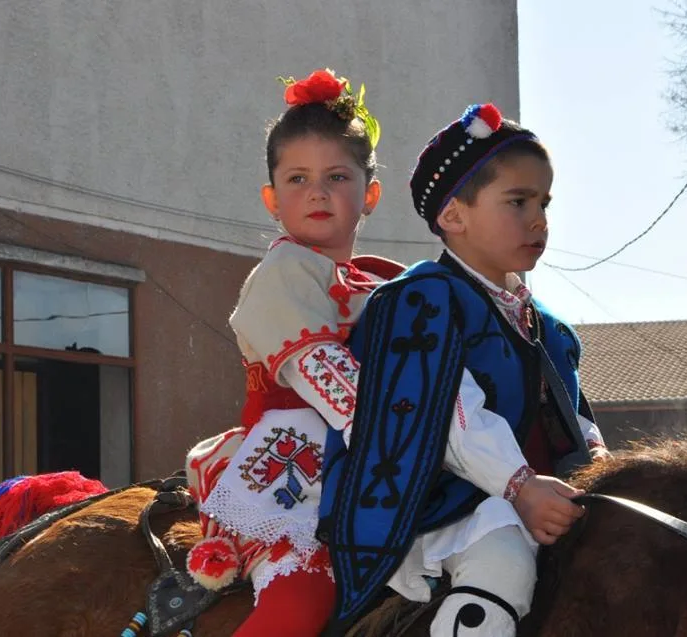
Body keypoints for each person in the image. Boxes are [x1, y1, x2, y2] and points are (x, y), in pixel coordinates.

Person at [318, 103, 608, 637]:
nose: (539, 220)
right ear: (453, 216)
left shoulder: (548, 326)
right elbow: (450, 415)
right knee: (503, 560)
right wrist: (521, 487)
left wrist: (602, 468)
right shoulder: (421, 300)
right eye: (518, 201)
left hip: (529, 496)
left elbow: (574, 416)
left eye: (543, 203)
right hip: (431, 501)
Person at [182, 68, 403, 637]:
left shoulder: (382, 283)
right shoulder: (284, 271)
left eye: (337, 176)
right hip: (293, 470)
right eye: (298, 178)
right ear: (272, 199)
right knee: (304, 595)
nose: (317, 192)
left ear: (370, 194)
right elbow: (330, 381)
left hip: (371, 469)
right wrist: (413, 435)